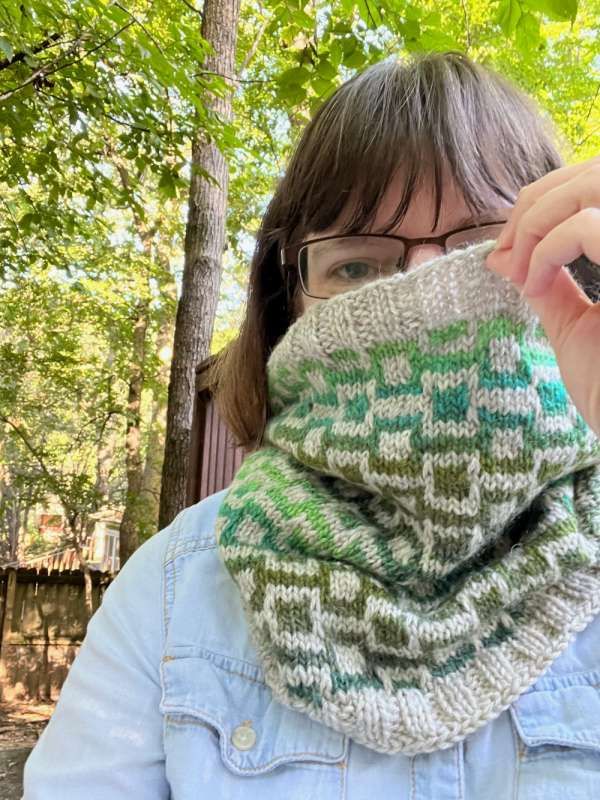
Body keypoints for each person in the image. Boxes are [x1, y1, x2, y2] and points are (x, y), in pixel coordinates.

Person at [23, 51, 600, 799]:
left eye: (480, 252)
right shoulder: (171, 596)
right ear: (285, 301)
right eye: (356, 266)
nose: (420, 295)